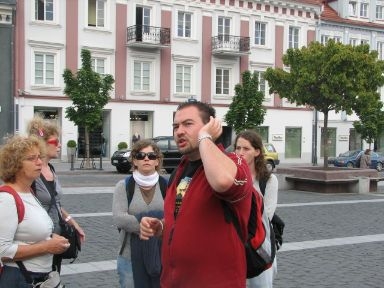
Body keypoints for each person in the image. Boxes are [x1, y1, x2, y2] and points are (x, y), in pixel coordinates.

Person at [140, 101, 253, 287]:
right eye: (176, 126)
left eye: (188, 124)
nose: (179, 131)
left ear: (211, 125)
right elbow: (181, 217)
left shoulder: (234, 162)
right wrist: (161, 227)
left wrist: (205, 138)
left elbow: (223, 182)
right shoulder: (180, 170)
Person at [0, 135, 70, 287]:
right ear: (15, 164)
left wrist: (51, 238)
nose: (39, 162)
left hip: (37, 276)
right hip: (20, 278)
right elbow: (2, 250)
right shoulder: (7, 198)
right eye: (31, 158)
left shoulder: (29, 193)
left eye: (39, 157)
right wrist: (47, 246)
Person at [27, 115, 85, 273]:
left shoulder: (51, 169)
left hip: (56, 239)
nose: (59, 145)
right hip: (38, 240)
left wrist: (73, 222)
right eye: (55, 142)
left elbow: (56, 203)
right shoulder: (31, 172)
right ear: (42, 144)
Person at [113, 139, 166, 288]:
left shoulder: (166, 185)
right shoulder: (124, 186)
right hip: (129, 255)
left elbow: (173, 215)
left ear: (157, 161)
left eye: (151, 155)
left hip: (160, 253)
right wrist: (146, 225)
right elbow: (119, 218)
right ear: (134, 161)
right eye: (141, 155)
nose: (146, 159)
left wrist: (159, 224)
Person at [234, 130, 278, 288]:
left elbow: (267, 214)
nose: (240, 153)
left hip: (259, 244)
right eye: (237, 148)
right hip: (235, 243)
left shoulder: (268, 180)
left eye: (246, 149)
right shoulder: (231, 177)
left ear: (257, 151)